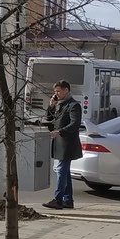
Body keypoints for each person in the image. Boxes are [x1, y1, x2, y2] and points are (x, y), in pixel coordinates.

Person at [43, 80, 83, 210]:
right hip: (59, 142)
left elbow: (75, 124)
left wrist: (60, 132)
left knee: (61, 170)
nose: (56, 94)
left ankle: (58, 199)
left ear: (66, 90)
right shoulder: (59, 104)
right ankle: (68, 199)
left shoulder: (73, 105)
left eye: (58, 91)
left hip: (67, 144)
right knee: (64, 172)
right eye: (55, 92)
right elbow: (50, 120)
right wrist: (51, 106)